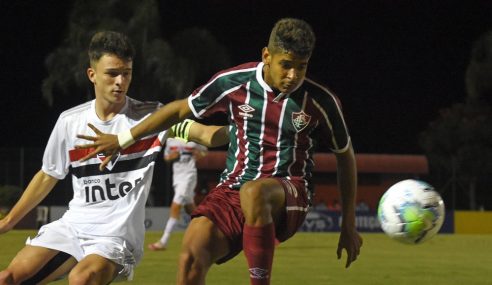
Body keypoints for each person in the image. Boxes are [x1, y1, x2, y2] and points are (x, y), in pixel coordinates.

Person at [77, 18, 363, 285]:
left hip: (290, 191)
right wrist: (122, 139)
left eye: (301, 66)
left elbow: (345, 156)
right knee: (191, 258)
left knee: (255, 192)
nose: (293, 75)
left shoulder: (320, 102)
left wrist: (348, 223)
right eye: (286, 65)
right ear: (267, 56)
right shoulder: (233, 82)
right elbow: (178, 109)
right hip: (232, 190)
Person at [0, 31, 225, 285]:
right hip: (73, 227)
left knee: (81, 278)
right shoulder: (70, 122)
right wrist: (8, 221)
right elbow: (47, 175)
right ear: (92, 75)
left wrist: (243, 129)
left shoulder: (151, 118)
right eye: (111, 73)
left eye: (126, 73)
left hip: (116, 237)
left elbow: (205, 135)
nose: (120, 81)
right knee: (8, 277)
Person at [148, 137, 208, 251]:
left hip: (189, 175)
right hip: (177, 177)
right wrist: (172, 157)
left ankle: (163, 241)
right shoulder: (171, 140)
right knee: (190, 208)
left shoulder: (193, 138)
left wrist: (199, 154)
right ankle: (205, 233)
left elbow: (205, 151)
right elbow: (166, 158)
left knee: (175, 206)